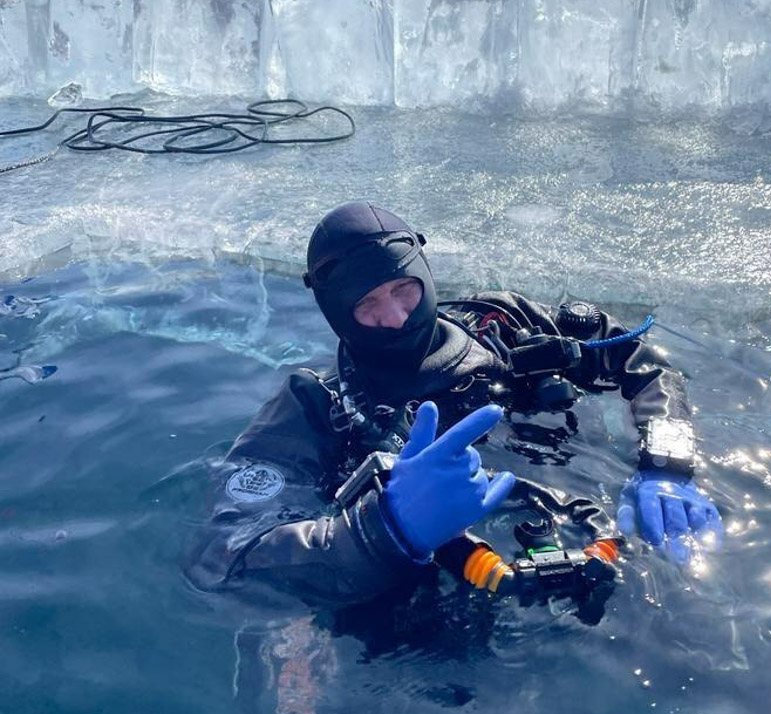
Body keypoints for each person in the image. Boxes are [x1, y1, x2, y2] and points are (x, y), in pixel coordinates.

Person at [189, 202, 722, 607]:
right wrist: (386, 530)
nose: (395, 316)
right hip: (437, 600)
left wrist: (666, 465)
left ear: (424, 273)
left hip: (598, 532)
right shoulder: (314, 408)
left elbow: (644, 362)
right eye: (367, 305)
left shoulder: (504, 325)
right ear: (334, 311)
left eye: (403, 289)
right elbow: (225, 552)